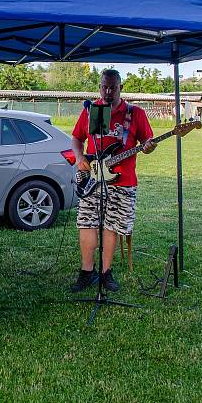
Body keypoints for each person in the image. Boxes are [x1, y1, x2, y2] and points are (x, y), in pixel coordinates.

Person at [69, 69, 157, 293]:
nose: (108, 92)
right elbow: (78, 138)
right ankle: (87, 272)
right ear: (99, 87)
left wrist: (149, 146)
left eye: (113, 87)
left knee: (112, 226)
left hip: (123, 181)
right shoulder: (94, 111)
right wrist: (80, 158)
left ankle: (106, 273)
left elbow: (147, 142)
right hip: (93, 177)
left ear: (120, 87)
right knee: (87, 222)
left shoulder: (133, 113)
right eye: (104, 87)